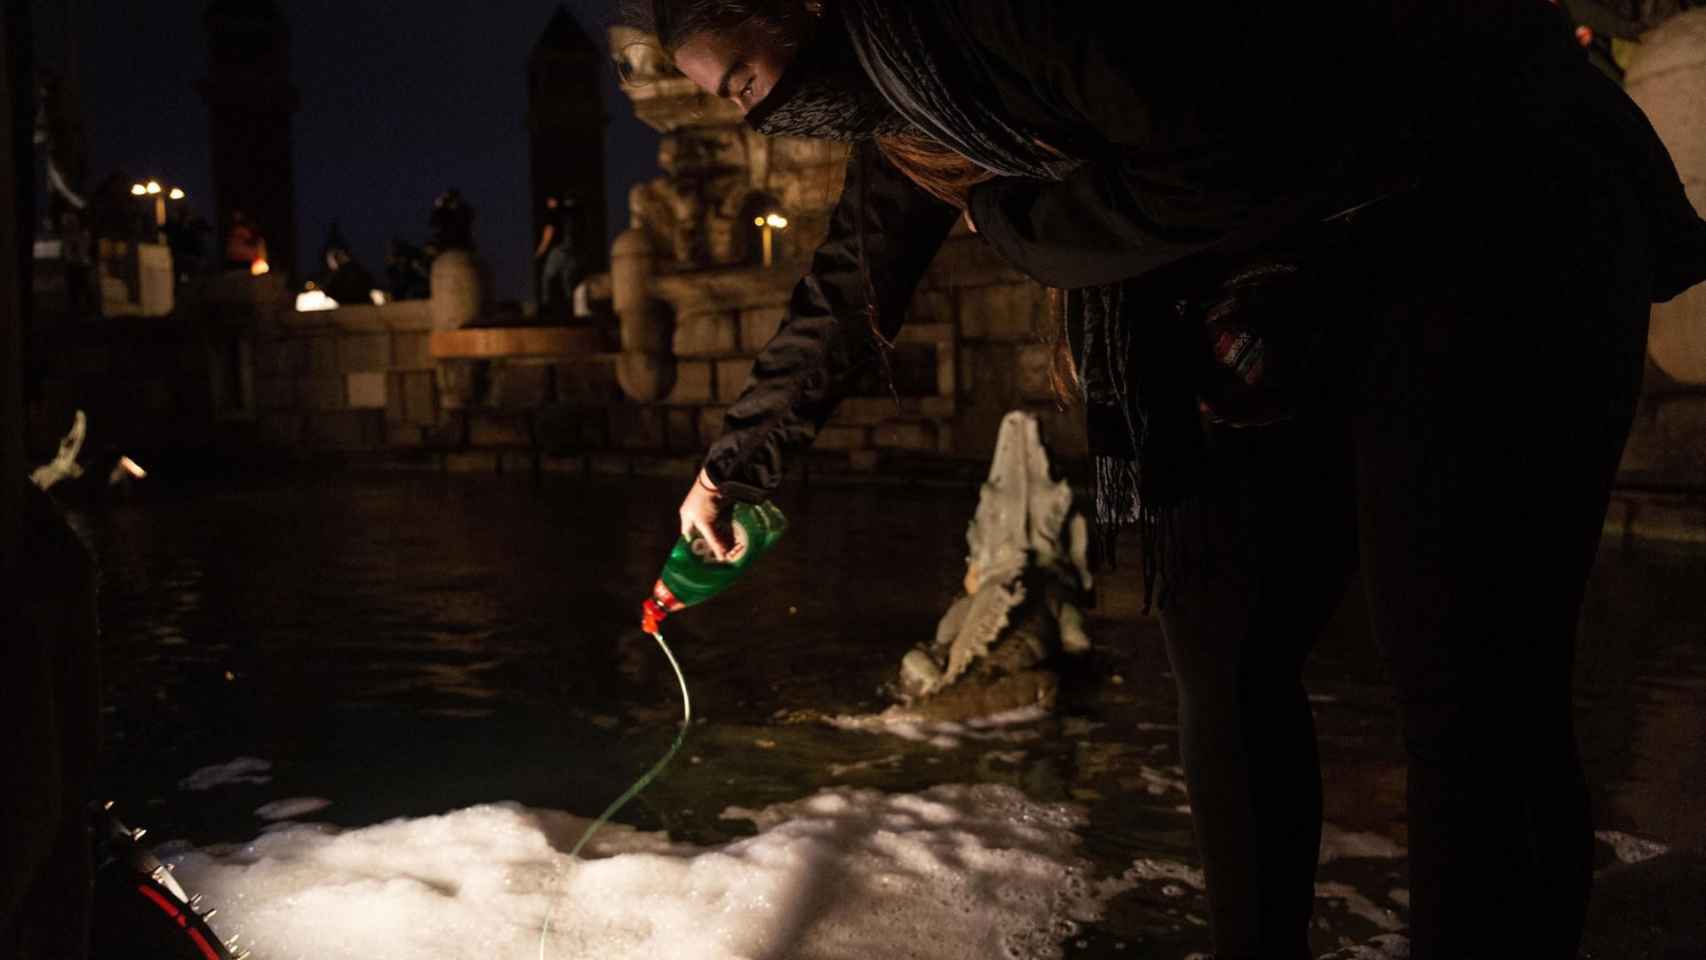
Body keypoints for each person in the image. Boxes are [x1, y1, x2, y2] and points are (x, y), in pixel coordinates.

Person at [635, 1, 1706, 958]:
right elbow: (854, 274)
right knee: (1219, 640)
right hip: (1268, 296)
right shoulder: (917, 101)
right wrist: (732, 469)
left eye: (744, 85)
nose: (754, 121)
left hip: (1486, 208)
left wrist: (1018, 225)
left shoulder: (983, 24)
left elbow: (1213, 157)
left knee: (1463, 668)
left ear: (798, 9)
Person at [536, 194, 584, 315]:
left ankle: (545, 307)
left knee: (547, 278)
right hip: (573, 252)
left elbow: (549, 233)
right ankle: (572, 309)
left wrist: (541, 250)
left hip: (560, 251)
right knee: (568, 281)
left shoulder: (554, 214)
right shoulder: (572, 214)